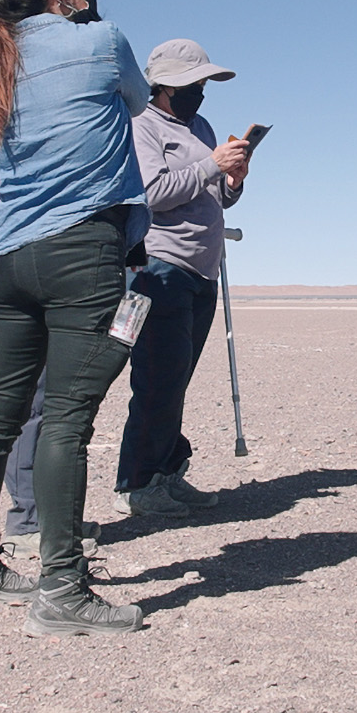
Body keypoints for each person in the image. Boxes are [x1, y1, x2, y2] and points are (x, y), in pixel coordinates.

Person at [0, 0, 149, 635]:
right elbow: (139, 98)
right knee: (66, 417)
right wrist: (94, 14)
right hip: (81, 247)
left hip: (10, 256)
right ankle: (62, 588)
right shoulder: (102, 40)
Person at [114, 39, 251, 521]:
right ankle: (138, 482)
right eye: (194, 84)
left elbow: (216, 197)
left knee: (177, 379)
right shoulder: (142, 127)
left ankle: (167, 472)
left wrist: (233, 177)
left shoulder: (201, 127)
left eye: (204, 85)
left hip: (202, 269)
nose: (202, 93)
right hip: (159, 267)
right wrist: (212, 164)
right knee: (156, 378)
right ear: (166, 85)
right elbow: (151, 193)